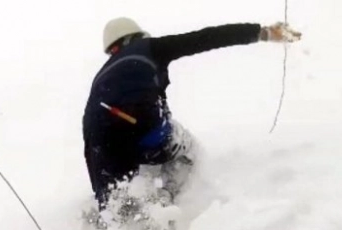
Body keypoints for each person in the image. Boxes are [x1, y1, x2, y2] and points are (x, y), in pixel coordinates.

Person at [82, 18, 302, 211]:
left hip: (99, 136)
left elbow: (90, 138)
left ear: (112, 48)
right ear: (136, 36)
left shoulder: (100, 77)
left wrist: (101, 194)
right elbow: (206, 38)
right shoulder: (151, 48)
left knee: (113, 202)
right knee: (188, 151)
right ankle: (164, 202)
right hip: (144, 125)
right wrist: (262, 32)